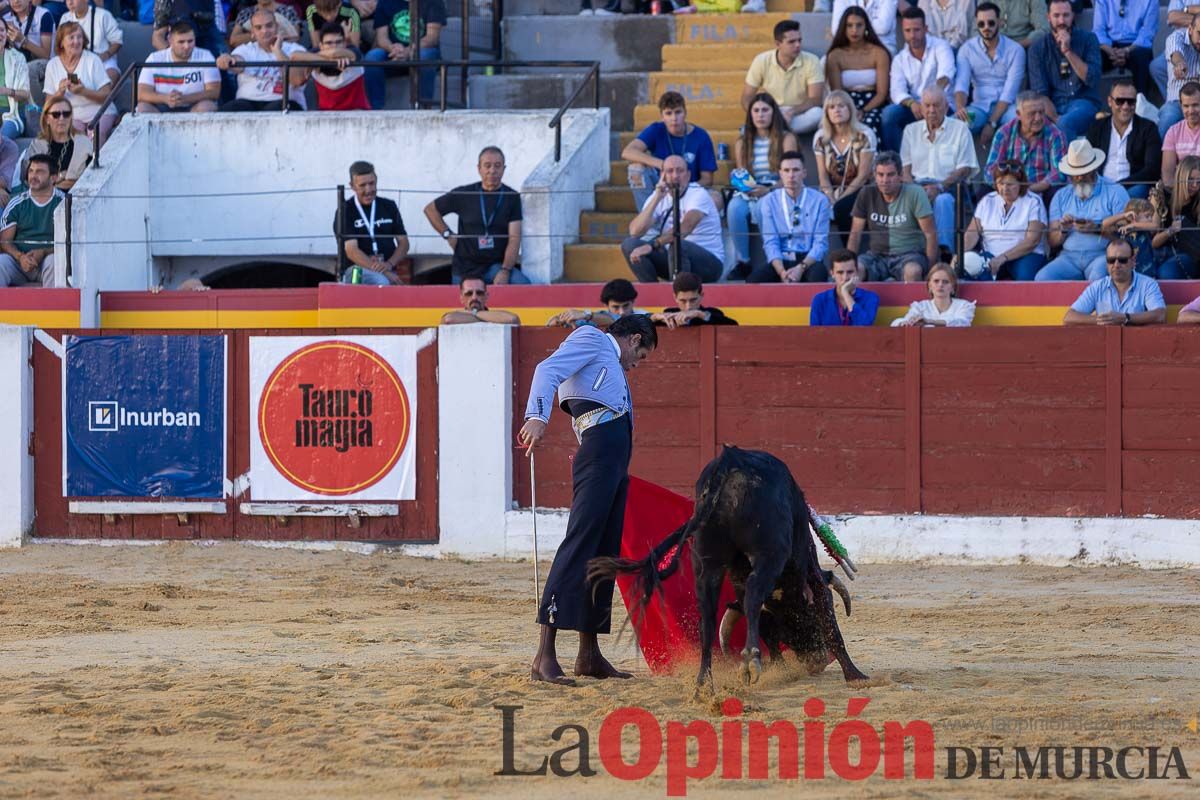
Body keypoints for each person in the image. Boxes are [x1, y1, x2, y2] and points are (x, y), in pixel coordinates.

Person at [518, 314, 658, 686]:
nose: (636, 364)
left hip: (612, 457)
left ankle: (589, 653)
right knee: (580, 543)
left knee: (603, 551)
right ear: (634, 338)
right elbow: (546, 370)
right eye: (640, 355)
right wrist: (537, 415)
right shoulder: (593, 339)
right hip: (599, 452)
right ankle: (544, 655)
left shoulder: (607, 358)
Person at [425, 146, 530, 285]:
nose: (492, 170)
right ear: (479, 168)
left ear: (504, 169)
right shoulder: (465, 194)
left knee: (523, 285)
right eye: (487, 165)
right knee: (462, 305)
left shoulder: (512, 197)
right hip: (465, 268)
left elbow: (514, 239)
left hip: (496, 266)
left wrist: (505, 270)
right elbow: (430, 209)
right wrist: (448, 235)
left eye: (497, 166)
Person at [621, 154, 724, 283]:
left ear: (688, 175)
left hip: (708, 264)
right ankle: (653, 295)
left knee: (678, 246)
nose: (675, 176)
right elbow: (635, 232)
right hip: (673, 259)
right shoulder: (659, 195)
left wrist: (653, 245)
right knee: (630, 245)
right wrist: (657, 198)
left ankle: (679, 292)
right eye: (670, 171)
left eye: (680, 171)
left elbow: (684, 229)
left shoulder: (698, 194)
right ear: (662, 175)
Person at [1037, 139, 1131, 281]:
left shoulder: (1115, 191)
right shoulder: (1060, 196)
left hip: (1103, 255)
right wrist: (1063, 230)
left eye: (1084, 172)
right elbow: (1052, 241)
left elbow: (1127, 237)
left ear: (1094, 169)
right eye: (1075, 173)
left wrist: (1097, 229)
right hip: (1068, 257)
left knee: (1098, 277)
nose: (1080, 177)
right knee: (1042, 278)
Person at [900, 86, 979, 251]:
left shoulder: (960, 129)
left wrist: (940, 187)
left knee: (943, 201)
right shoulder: (910, 131)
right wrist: (916, 192)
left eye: (936, 105)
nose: (931, 110)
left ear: (946, 106)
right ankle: (908, 250)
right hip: (916, 186)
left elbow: (965, 168)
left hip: (949, 187)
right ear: (921, 107)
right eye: (927, 105)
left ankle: (944, 252)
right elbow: (905, 170)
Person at [729, 93, 797, 275]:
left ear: (774, 113)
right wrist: (748, 189)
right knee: (734, 209)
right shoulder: (742, 142)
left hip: (776, 186)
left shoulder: (786, 138)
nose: (760, 115)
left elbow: (791, 172)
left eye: (765, 110)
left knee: (762, 209)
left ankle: (773, 260)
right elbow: (741, 173)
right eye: (756, 110)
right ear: (750, 114)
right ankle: (743, 262)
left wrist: (768, 189)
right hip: (751, 188)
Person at [848, 151, 939, 283]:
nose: (885, 180)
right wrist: (849, 265)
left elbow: (931, 234)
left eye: (890, 174)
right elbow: (855, 234)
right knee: (856, 270)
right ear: (874, 175)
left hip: (910, 255)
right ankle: (855, 304)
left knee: (912, 271)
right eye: (880, 175)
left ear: (901, 175)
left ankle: (913, 304)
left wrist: (930, 272)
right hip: (876, 256)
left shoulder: (915, 192)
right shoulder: (866, 193)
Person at [620, 91, 717, 212]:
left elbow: (707, 179)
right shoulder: (656, 129)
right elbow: (628, 152)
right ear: (662, 116)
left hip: (690, 189)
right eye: (668, 113)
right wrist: (661, 164)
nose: (674, 118)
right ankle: (649, 222)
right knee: (636, 169)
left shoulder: (701, 136)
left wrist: (684, 189)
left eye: (678, 112)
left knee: (715, 199)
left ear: (685, 113)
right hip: (661, 187)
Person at [882, 6, 956, 154]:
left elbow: (946, 75)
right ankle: (896, 163)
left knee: (937, 108)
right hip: (914, 108)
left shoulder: (941, 46)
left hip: (941, 105)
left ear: (926, 29)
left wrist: (929, 103)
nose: (912, 35)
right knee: (889, 114)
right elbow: (897, 91)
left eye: (916, 30)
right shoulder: (899, 59)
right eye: (907, 31)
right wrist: (912, 104)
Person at [1027, 0, 1102, 143]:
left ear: (1073, 16)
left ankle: (1063, 166)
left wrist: (1067, 51)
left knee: (1066, 123)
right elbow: (1040, 93)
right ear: (1048, 17)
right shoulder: (1037, 48)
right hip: (1052, 105)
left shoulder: (1089, 39)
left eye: (1066, 15)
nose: (1061, 21)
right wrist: (1056, 119)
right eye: (1056, 16)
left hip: (1084, 102)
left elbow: (1092, 79)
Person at [961, 160, 1048, 280]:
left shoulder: (1033, 201)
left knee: (1025, 277)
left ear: (1021, 184)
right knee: (973, 273)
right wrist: (959, 255)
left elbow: (1032, 241)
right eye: (1001, 183)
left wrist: (1003, 258)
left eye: (1010, 184)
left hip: (1025, 255)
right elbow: (972, 234)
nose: (1005, 188)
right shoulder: (987, 200)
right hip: (991, 255)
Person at [755, 150, 832, 283]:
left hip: (808, 259)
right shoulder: (769, 201)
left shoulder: (820, 200)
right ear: (780, 174)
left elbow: (820, 244)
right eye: (786, 170)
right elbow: (770, 241)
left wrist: (801, 268)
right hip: (781, 258)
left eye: (796, 170)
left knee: (818, 276)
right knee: (754, 280)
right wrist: (781, 271)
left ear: (804, 173)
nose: (791, 175)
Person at [740, 20, 824, 136]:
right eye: (791, 42)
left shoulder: (812, 60)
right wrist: (766, 115)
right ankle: (776, 128)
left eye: (799, 40)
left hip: (798, 114)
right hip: (771, 114)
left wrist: (792, 111)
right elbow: (746, 97)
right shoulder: (762, 60)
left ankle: (774, 131)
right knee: (749, 127)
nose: (798, 45)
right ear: (778, 44)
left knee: (818, 114)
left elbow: (816, 99)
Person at [953, 2, 1024, 138]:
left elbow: (1009, 93)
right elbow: (961, 85)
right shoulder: (967, 49)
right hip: (979, 108)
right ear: (976, 24)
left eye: (991, 23)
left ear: (1000, 22)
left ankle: (1014, 159)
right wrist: (960, 108)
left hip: (1007, 108)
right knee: (954, 125)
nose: (986, 28)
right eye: (981, 24)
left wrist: (991, 123)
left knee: (1021, 122)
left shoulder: (1015, 50)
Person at [813, 90, 877, 239]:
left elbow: (863, 177)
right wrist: (830, 197)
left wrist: (839, 200)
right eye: (832, 107)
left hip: (862, 190)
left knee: (842, 208)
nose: (837, 110)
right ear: (826, 112)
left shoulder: (865, 135)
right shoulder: (820, 137)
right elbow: (822, 176)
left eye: (842, 106)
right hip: (831, 191)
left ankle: (848, 255)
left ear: (850, 109)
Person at [1083, 81, 1160, 202]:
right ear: (1110, 101)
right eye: (1120, 101)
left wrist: (1120, 186)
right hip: (1101, 187)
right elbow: (1086, 162)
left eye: (1130, 102)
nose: (1125, 106)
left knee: (1137, 191)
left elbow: (1152, 169)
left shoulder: (1148, 129)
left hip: (1132, 187)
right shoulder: (1097, 127)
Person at [216, 10, 308, 112]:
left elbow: (297, 80)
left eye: (269, 26)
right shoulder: (245, 49)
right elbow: (237, 61)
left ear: (277, 27)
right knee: (225, 112)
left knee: (272, 110)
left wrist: (278, 51)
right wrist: (228, 59)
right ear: (252, 33)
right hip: (247, 102)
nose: (264, 31)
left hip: (284, 102)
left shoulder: (295, 49)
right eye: (258, 28)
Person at [335, 161, 408, 285]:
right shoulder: (346, 210)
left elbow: (404, 243)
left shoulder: (389, 206)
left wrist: (389, 264)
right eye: (362, 185)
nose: (368, 190)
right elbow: (351, 250)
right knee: (382, 282)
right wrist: (383, 272)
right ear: (352, 186)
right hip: (354, 270)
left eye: (371, 183)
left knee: (394, 287)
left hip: (387, 268)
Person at [983, 90, 1067, 198]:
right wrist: (1005, 187)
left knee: (1056, 192)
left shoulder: (1055, 135)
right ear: (1018, 114)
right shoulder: (1004, 133)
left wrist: (1030, 189)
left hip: (1040, 190)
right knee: (983, 192)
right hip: (1007, 190)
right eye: (1032, 114)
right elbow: (991, 169)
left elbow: (1059, 173)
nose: (1038, 118)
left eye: (1041, 112)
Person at [824, 7, 892, 139]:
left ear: (866, 26)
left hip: (874, 103)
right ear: (843, 28)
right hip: (846, 103)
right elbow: (837, 91)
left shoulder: (879, 53)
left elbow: (882, 93)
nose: (854, 30)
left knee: (868, 125)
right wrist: (850, 111)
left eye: (859, 25)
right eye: (849, 26)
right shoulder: (835, 55)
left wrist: (863, 111)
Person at [1062, 239, 1166, 325]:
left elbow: (1160, 315)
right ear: (1106, 263)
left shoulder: (1148, 284)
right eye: (1111, 260)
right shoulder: (1097, 287)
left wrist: (1126, 318)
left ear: (1133, 261)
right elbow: (1069, 317)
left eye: (1122, 260)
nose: (1116, 265)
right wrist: (1103, 320)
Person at [365, 0, 446, 109]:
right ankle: (375, 109)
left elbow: (432, 37)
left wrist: (408, 51)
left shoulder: (433, 2)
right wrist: (392, 48)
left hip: (420, 52)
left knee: (425, 56)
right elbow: (381, 38)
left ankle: (424, 109)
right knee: (372, 57)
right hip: (393, 54)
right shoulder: (385, 2)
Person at [44, 22, 116, 143]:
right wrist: (60, 93)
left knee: (95, 136)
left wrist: (83, 91)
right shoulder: (52, 65)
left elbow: (107, 96)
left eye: (79, 37)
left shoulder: (93, 59)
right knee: (74, 141)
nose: (76, 41)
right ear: (61, 42)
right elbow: (48, 103)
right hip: (72, 115)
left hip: (100, 112)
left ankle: (96, 162)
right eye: (71, 37)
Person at [0, 154, 62, 287]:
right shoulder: (17, 203)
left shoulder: (64, 203)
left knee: (54, 262)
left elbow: (70, 244)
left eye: (39, 172)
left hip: (47, 262)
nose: (33, 176)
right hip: (19, 264)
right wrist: (20, 257)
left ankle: (53, 307)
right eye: (31, 171)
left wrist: (44, 252)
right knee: (1, 262)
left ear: (53, 178)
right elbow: (4, 242)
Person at [135, 21, 220, 114]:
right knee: (142, 107)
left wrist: (185, 99)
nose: (187, 46)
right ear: (170, 41)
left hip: (194, 106)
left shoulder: (206, 56)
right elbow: (141, 94)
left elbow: (214, 92)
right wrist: (165, 98)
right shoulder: (155, 58)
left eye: (190, 41)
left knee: (207, 106)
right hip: (161, 107)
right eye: (181, 42)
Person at [1103, 198, 1193, 280]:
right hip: (1129, 274)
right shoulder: (1123, 230)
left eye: (1151, 216)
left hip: (1148, 272)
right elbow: (1104, 224)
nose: (1150, 219)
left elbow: (1154, 226)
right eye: (1147, 216)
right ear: (1133, 216)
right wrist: (1123, 216)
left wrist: (1133, 225)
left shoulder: (1145, 229)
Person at [15, 94, 90, 192]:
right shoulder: (38, 145)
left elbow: (87, 179)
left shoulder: (83, 143)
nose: (61, 118)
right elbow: (31, 179)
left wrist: (52, 180)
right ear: (47, 119)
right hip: (42, 199)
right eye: (56, 114)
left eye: (66, 114)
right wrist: (65, 177)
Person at [291, 22, 370, 111]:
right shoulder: (315, 54)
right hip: (325, 116)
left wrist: (314, 59)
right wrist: (328, 61)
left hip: (358, 113)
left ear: (345, 43)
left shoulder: (353, 51)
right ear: (321, 46)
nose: (334, 46)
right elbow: (294, 55)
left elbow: (334, 53)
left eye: (338, 42)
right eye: (329, 43)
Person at [1091, 0, 1157, 100]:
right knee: (1092, 57)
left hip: (1136, 45)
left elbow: (1147, 33)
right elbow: (1098, 30)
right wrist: (1111, 51)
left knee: (1142, 57)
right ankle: (1091, 103)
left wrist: (1126, 51)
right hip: (1109, 45)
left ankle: (1141, 105)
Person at [1156, 155, 1200, 278]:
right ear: (1181, 177)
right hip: (1163, 252)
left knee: (1166, 272)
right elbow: (1154, 242)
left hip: (1189, 255)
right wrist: (1171, 230)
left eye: (1199, 181)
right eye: (1191, 180)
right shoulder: (1163, 197)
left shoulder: (1198, 201)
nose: (1195, 186)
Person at [3, 0, 54, 106]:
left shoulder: (44, 15)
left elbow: (46, 55)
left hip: (44, 63)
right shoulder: (6, 18)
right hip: (20, 61)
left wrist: (22, 41)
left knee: (28, 70)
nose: (16, 1)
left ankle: (36, 113)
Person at [809, 250, 881, 325]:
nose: (845, 277)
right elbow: (814, 334)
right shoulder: (820, 300)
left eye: (850, 272)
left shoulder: (870, 298)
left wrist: (846, 294)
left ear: (856, 272)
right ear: (832, 274)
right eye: (840, 272)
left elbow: (865, 327)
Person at [891, 264, 976, 325]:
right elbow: (902, 322)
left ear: (953, 287)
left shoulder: (964, 305)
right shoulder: (920, 307)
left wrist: (930, 321)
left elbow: (962, 323)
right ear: (929, 285)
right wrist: (905, 323)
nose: (940, 285)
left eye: (945, 282)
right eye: (936, 281)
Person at [61, 0, 122, 83]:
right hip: (76, 62)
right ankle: (83, 93)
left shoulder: (103, 15)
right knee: (69, 81)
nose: (70, 3)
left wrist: (106, 54)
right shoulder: (65, 18)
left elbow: (117, 41)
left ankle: (100, 94)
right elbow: (61, 45)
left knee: (112, 74)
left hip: (103, 62)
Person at [546, 278, 644, 329]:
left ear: (633, 302)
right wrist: (559, 321)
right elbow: (553, 323)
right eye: (616, 307)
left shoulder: (643, 316)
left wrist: (586, 315)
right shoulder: (596, 317)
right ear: (606, 306)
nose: (621, 312)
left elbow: (616, 321)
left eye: (625, 305)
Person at [651, 272, 738, 328]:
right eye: (683, 301)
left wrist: (699, 314)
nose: (688, 307)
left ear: (701, 296)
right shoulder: (669, 314)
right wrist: (654, 318)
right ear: (675, 298)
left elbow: (734, 326)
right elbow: (641, 328)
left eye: (693, 300)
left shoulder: (712, 314)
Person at [1161, 15, 1200, 140]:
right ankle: (1158, 158)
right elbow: (1176, 53)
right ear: (1190, 29)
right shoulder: (1176, 37)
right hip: (1176, 101)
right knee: (1168, 118)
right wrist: (1180, 64)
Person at [154, 0, 233, 58]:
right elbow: (157, 37)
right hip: (178, 51)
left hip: (209, 47)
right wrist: (173, 56)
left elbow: (220, 34)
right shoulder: (164, 2)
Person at [440, 277, 520, 325]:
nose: (474, 297)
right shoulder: (454, 315)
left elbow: (512, 319)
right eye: (469, 293)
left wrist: (474, 314)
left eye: (479, 293)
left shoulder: (460, 316)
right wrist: (488, 318)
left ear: (486, 296)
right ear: (461, 298)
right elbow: (448, 319)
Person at [1163, 83, 1200, 185]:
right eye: (1186, 106)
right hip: (1181, 191)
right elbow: (1168, 174)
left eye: (1195, 105)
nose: (1191, 111)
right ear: (1181, 105)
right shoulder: (1173, 132)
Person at [831, 0, 899, 54]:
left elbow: (883, 27)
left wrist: (851, 24)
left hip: (881, 45)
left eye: (859, 25)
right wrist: (866, 26)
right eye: (850, 25)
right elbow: (836, 29)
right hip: (849, 46)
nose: (855, 29)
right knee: (825, 61)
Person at [0, 24, 30, 140]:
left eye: (2, 30)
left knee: (2, 138)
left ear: (6, 34)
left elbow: (25, 95)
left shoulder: (18, 58)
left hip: (13, 114)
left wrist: (6, 91)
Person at [227, 0, 301, 47]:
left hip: (281, 53)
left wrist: (259, 35)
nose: (264, 30)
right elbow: (233, 40)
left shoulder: (287, 11)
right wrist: (262, 35)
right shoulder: (246, 13)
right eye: (258, 27)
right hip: (253, 56)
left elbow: (294, 37)